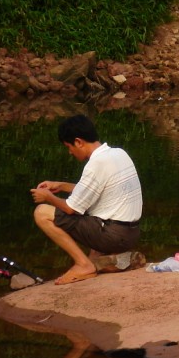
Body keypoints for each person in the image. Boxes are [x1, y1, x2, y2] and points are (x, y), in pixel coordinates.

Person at [30, 115, 143, 285]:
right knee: (94, 210)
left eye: (69, 146)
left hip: (115, 236)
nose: (69, 152)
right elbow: (95, 189)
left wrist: (49, 197)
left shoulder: (96, 164)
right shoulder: (118, 153)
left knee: (42, 213)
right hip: (131, 234)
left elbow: (71, 209)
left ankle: (84, 265)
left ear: (79, 142)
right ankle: (97, 261)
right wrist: (61, 185)